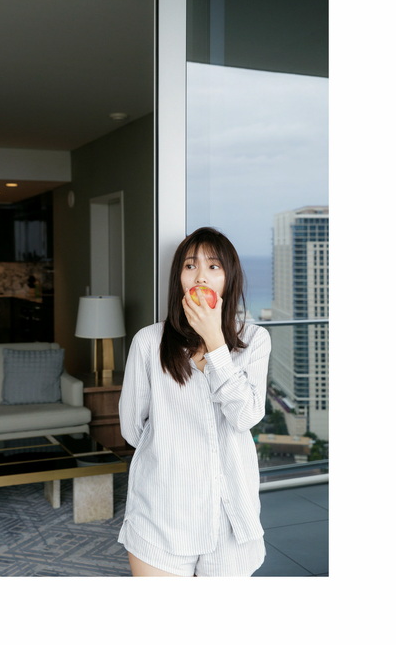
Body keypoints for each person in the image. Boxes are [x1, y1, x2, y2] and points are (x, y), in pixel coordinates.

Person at [118, 227, 271, 577]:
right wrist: (176, 457)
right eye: (190, 266)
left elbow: (246, 416)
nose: (201, 275)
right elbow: (132, 428)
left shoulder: (255, 340)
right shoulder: (149, 342)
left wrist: (215, 341)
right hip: (163, 511)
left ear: (229, 278)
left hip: (230, 516)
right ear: (179, 278)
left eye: (213, 266)